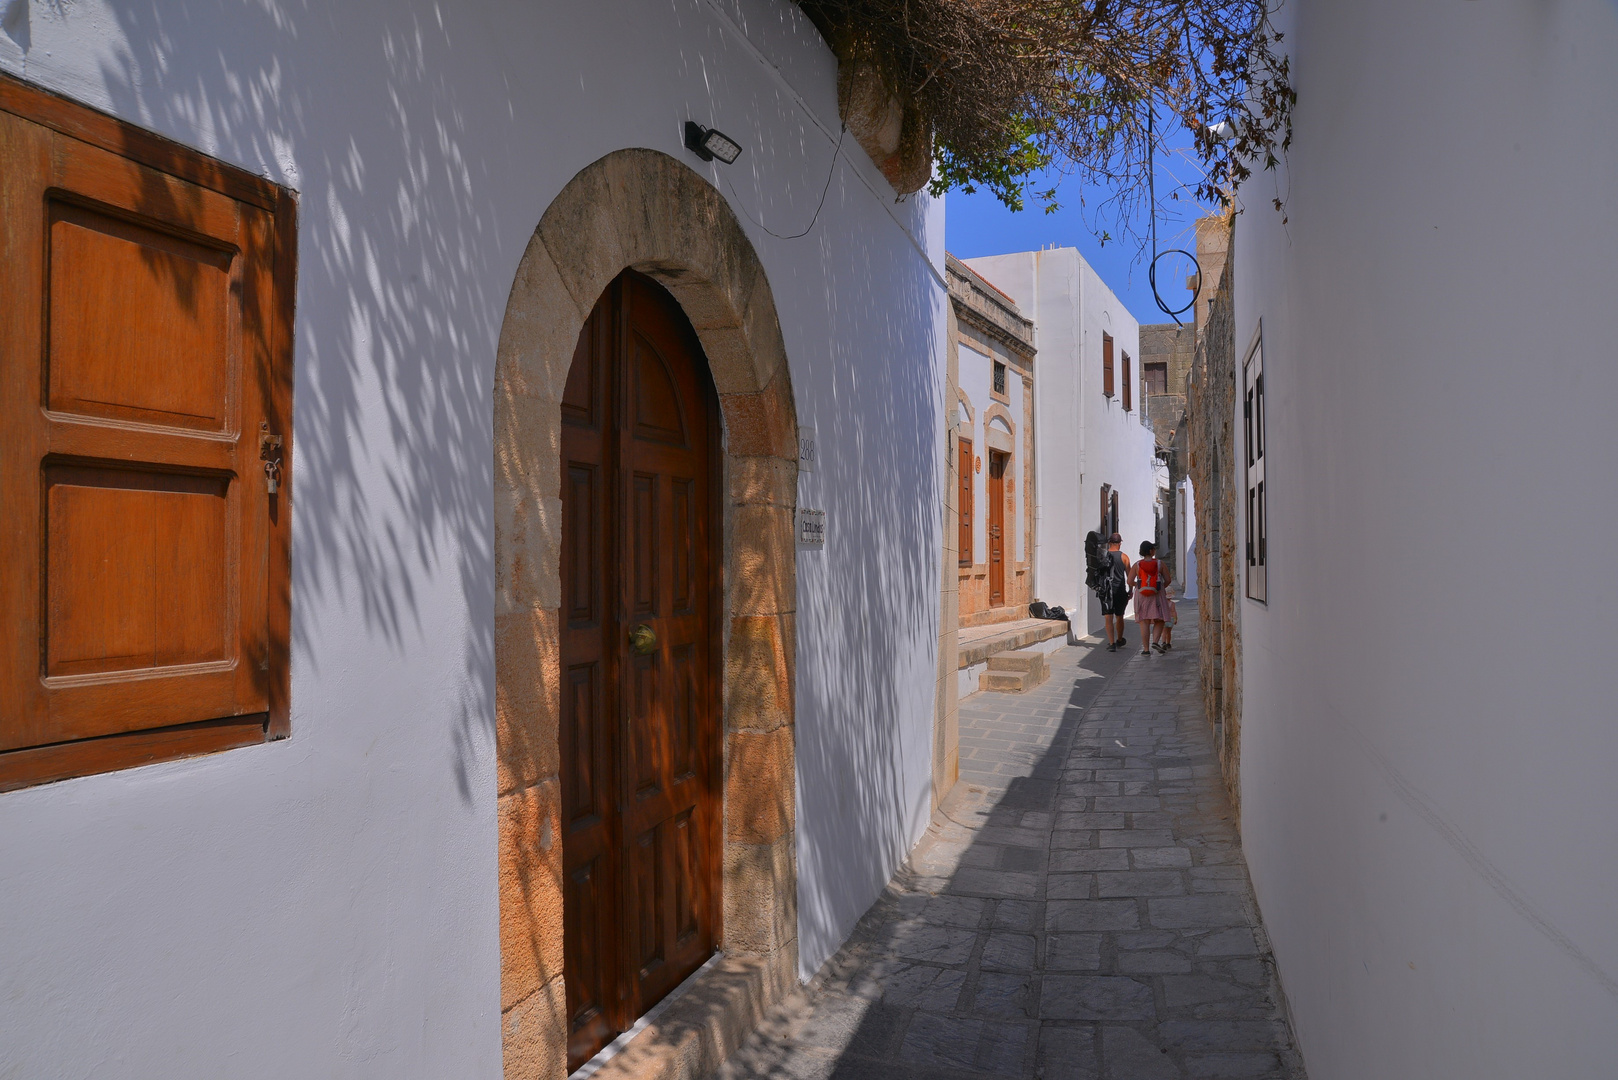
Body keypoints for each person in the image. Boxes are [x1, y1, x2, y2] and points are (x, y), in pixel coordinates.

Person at [1129, 540, 1172, 656]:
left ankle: (1146, 649)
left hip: (1141, 595)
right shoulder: (1160, 564)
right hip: (1157, 594)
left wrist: (1139, 586)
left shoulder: (1137, 565)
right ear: (1151, 551)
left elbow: (1129, 581)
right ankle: (1155, 641)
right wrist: (1160, 587)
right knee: (1160, 619)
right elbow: (1168, 580)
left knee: (1144, 621)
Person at [1099, 532, 1131, 651]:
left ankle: (1111, 643)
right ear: (1120, 543)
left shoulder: (1103, 556)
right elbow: (1130, 576)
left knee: (1108, 618)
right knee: (1119, 616)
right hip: (1120, 591)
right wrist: (1131, 590)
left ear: (1109, 543)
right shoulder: (1124, 557)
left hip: (1106, 591)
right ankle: (1119, 639)